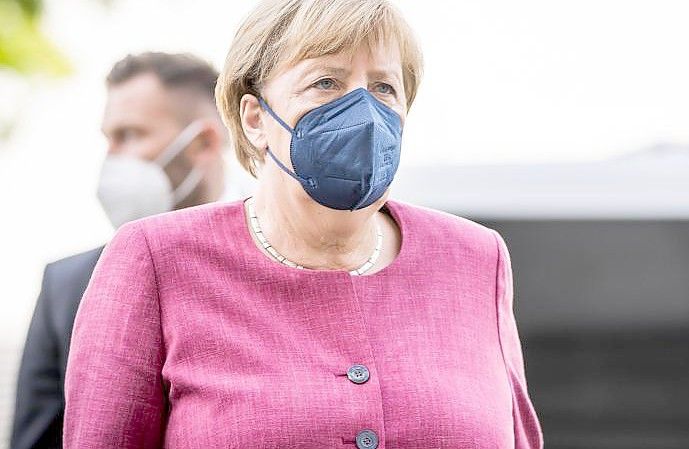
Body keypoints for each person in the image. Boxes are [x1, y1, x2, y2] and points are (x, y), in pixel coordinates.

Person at [63, 1, 543, 448]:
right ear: (254, 118)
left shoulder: (477, 258)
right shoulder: (156, 258)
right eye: (326, 82)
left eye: (383, 87)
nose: (363, 111)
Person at [11, 52, 248, 449]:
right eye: (109, 138)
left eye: (131, 135)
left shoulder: (285, 259)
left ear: (204, 141)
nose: (113, 159)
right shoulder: (67, 286)